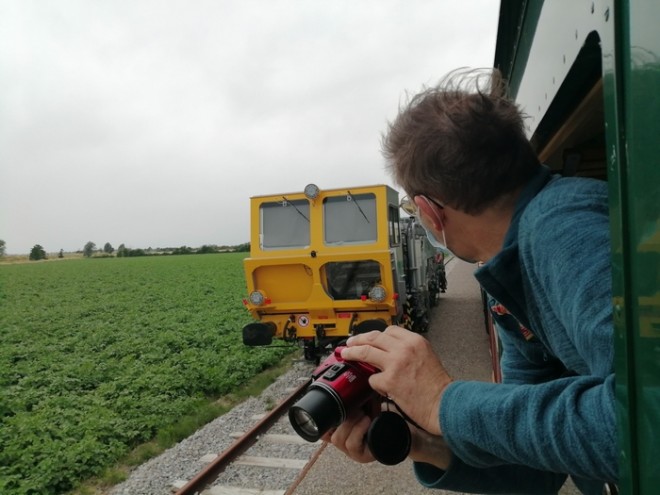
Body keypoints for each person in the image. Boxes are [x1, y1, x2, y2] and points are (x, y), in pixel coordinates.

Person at [325, 69, 617, 495]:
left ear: (429, 210)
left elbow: (643, 423)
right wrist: (423, 443)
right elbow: (538, 465)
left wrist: (444, 402)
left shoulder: (564, 231)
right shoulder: (510, 272)